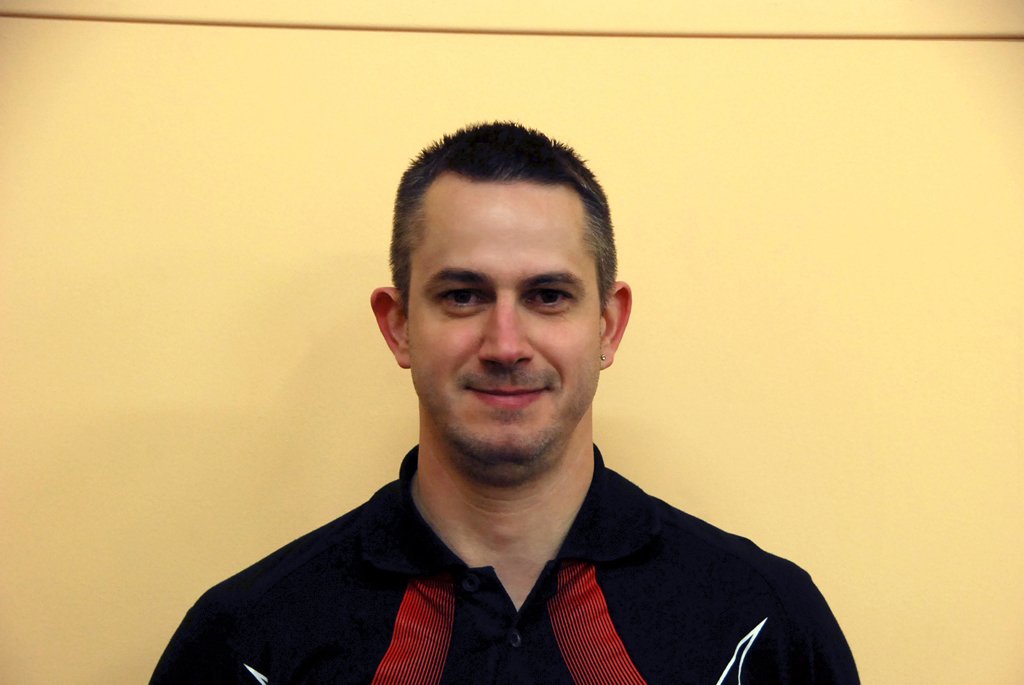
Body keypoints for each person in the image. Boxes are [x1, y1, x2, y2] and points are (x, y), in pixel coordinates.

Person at [151, 122, 859, 684]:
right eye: (463, 295)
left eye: (548, 295)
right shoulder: (247, 642)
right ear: (398, 326)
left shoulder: (763, 623)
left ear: (608, 326)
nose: (506, 344)